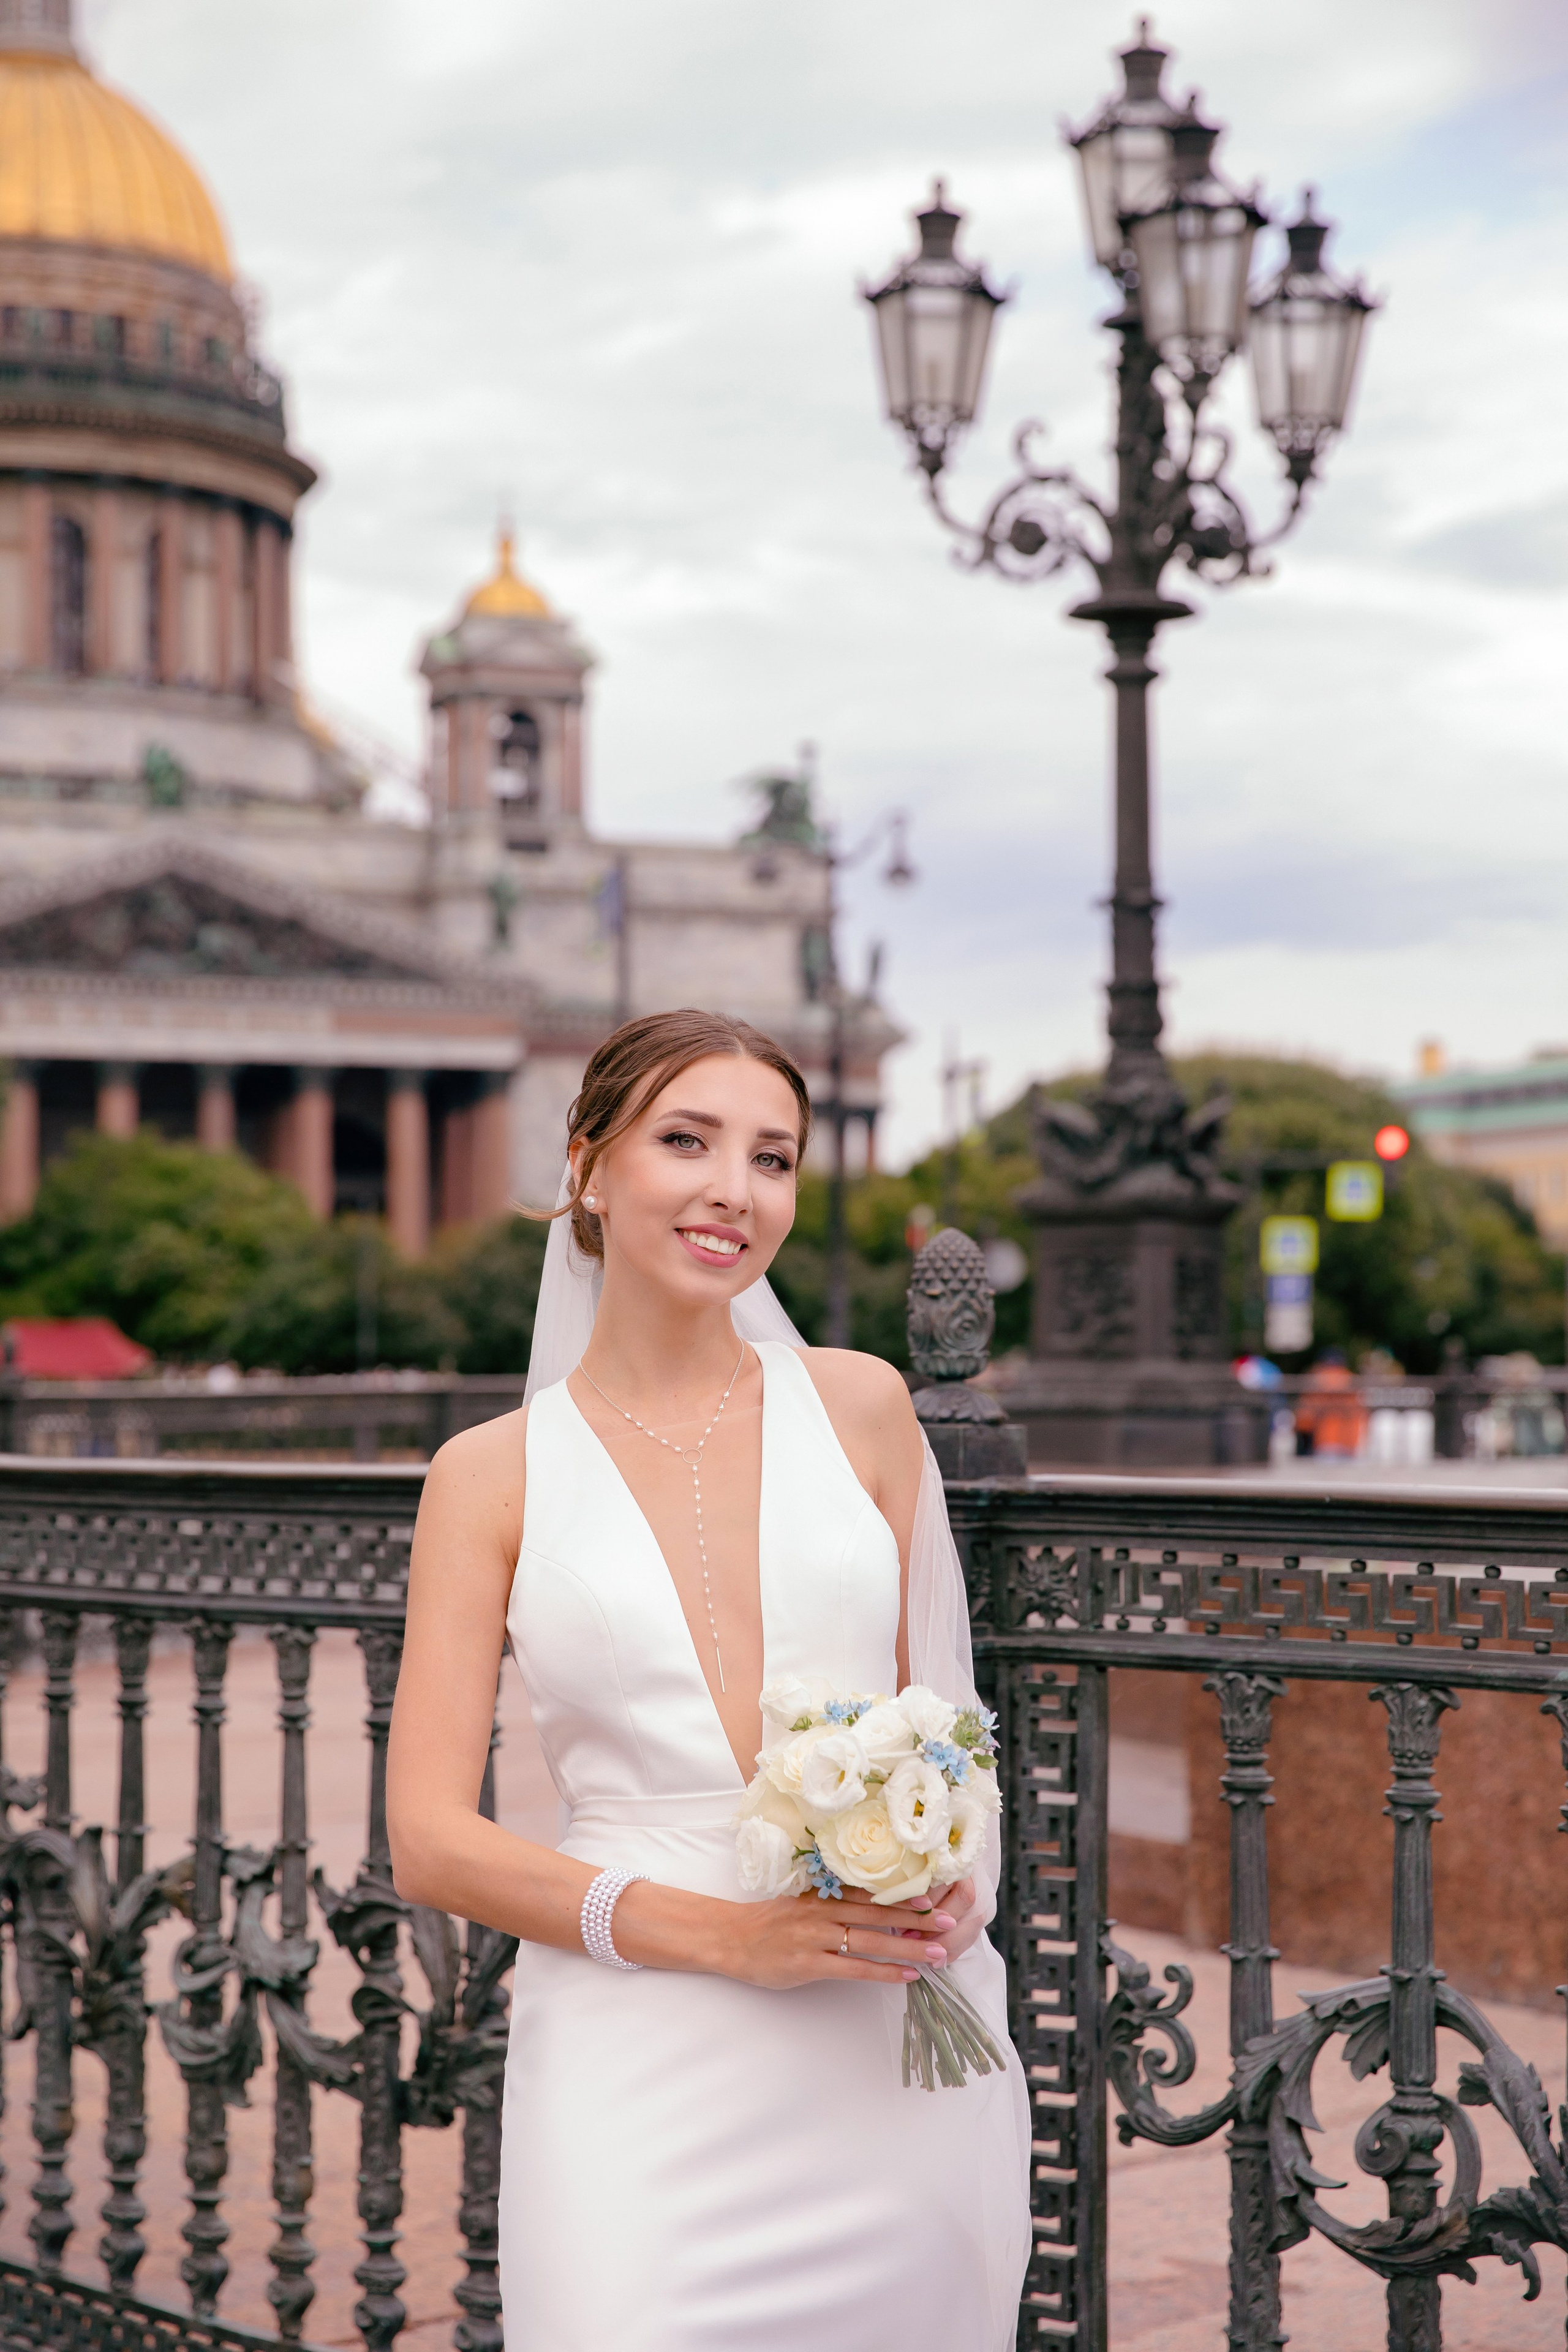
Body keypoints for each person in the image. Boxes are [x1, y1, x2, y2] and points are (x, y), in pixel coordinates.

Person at [387, 1008, 1031, 2350]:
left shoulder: (861, 1405)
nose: (734, 1190)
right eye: (687, 1140)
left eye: (773, 1158)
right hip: (639, 2053)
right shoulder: (487, 1474)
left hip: (883, 2039)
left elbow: (950, 1719)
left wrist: (953, 1864)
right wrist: (726, 1937)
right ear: (589, 1167)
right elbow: (431, 1844)